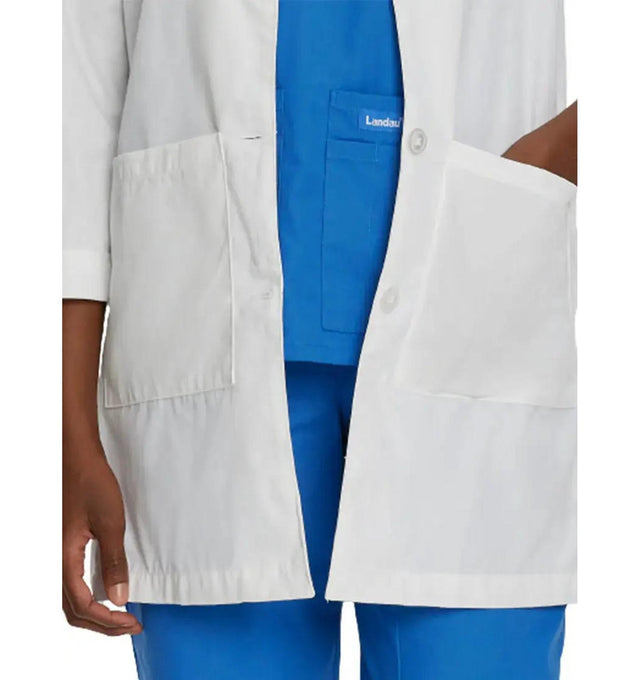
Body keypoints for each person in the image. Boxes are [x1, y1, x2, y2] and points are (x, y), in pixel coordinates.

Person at [62, 1, 578, 678]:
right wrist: (70, 431)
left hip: (477, 340)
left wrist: (555, 151)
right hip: (203, 372)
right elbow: (80, 95)